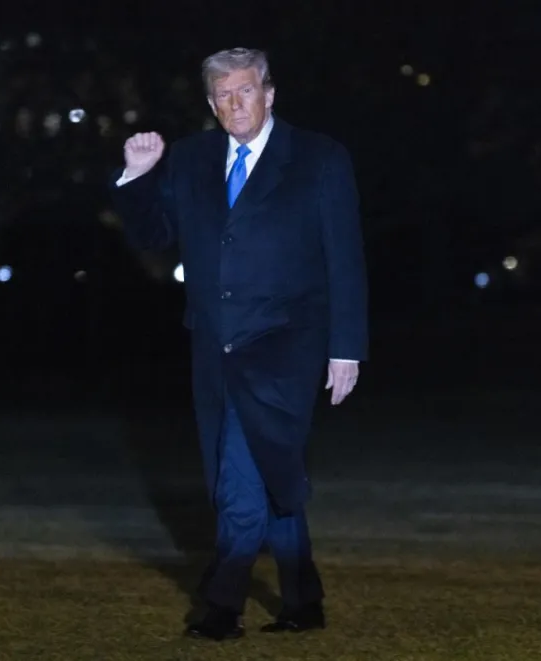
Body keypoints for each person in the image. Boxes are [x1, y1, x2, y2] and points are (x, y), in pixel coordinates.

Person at [110, 47, 368, 641]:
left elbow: (346, 260)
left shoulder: (319, 158)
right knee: (272, 470)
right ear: (211, 103)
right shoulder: (193, 158)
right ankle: (303, 598)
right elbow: (153, 235)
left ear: (269, 93)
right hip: (213, 348)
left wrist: (346, 348)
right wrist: (136, 177)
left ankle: (221, 605)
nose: (235, 103)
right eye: (223, 95)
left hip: (286, 345)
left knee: (241, 478)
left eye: (246, 91)